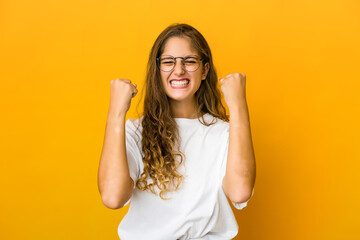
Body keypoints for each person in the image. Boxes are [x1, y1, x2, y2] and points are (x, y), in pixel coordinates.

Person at [98, 23, 256, 240]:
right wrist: (116, 112)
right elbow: (112, 197)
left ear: (205, 70)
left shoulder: (224, 134)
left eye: (189, 61)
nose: (179, 69)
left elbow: (240, 191)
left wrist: (238, 106)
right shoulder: (136, 132)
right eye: (168, 61)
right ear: (157, 70)